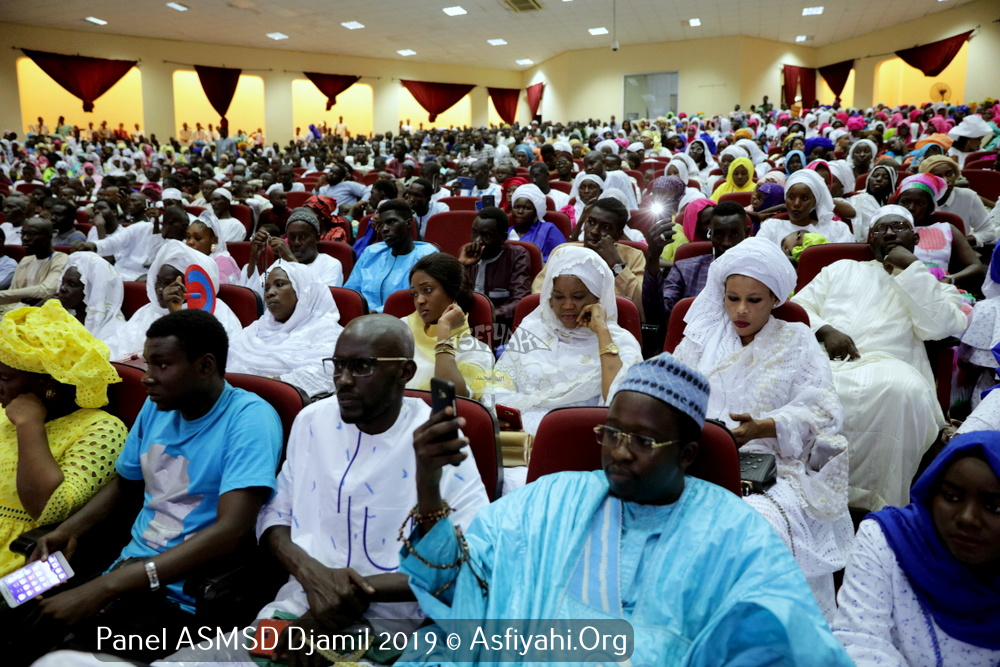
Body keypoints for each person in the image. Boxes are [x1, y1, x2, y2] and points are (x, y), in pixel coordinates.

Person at [401, 353, 853, 666]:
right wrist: (427, 482)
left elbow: (787, 639)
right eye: (612, 433)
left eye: (643, 441)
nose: (619, 451)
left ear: (688, 455)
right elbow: (454, 588)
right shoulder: (547, 502)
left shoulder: (734, 532)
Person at [17, 309, 282, 666]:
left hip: (178, 598)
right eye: (147, 362)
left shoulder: (250, 418)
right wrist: (67, 531)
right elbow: (125, 484)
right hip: (121, 568)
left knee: (61, 654)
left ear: (205, 366)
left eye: (162, 365)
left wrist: (104, 588)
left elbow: (231, 532)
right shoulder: (160, 405)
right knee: (12, 602)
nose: (147, 378)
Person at [673, 237, 853, 620]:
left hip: (769, 467)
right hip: (694, 459)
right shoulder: (700, 341)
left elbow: (824, 410)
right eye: (731, 297)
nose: (740, 310)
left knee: (752, 526)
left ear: (774, 299)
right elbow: (669, 395)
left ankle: (757, 630)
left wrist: (764, 427)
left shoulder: (797, 341)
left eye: (754, 300)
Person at [792, 205, 968, 510]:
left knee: (904, 393)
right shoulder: (840, 269)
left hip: (893, 368)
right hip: (829, 362)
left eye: (897, 227)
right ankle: (802, 496)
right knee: (803, 389)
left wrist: (912, 269)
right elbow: (798, 309)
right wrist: (825, 330)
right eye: (880, 229)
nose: (888, 233)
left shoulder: (935, 285)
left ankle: (882, 505)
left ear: (915, 238)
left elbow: (939, 327)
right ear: (868, 238)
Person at [833, 431, 1000, 665]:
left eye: (995, 508)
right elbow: (858, 645)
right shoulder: (888, 542)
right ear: (931, 494)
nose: (967, 518)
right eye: (951, 497)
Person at [0, 301, 127, 576]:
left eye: (4, 377)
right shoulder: (4, 410)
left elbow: (49, 510)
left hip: (22, 555)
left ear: (46, 384)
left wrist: (30, 424)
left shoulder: (101, 430)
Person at [494, 245, 642, 435]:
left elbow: (620, 405)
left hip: (581, 439)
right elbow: (499, 383)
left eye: (578, 297)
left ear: (598, 297)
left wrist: (602, 331)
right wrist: (503, 416)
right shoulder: (532, 328)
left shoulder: (620, 341)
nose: (567, 305)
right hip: (519, 439)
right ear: (549, 297)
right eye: (558, 297)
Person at [227, 261, 343, 398]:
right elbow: (229, 359)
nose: (269, 293)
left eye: (279, 285)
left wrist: (274, 384)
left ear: (303, 290)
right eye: (267, 288)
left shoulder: (327, 331)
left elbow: (327, 372)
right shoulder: (257, 327)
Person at [118, 239, 244, 357]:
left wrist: (175, 314)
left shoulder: (216, 312)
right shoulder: (148, 310)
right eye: (159, 281)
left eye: (169, 283)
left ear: (192, 286)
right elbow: (119, 346)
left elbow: (205, 358)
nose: (161, 289)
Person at [532, 198, 645, 318]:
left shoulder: (633, 256)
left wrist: (617, 265)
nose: (595, 231)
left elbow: (641, 308)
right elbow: (539, 292)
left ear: (618, 234)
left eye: (605, 227)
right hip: (562, 321)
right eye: (591, 222)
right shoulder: (563, 252)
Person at [404, 253, 495, 402]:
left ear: (453, 292)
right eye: (414, 294)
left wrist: (444, 329)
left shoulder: (476, 351)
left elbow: (454, 398)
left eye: (427, 290)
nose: (419, 301)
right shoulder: (402, 329)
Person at [643, 200, 749, 327]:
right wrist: (653, 258)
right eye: (719, 234)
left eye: (734, 234)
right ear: (710, 234)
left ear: (747, 234)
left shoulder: (760, 272)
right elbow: (656, 316)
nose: (726, 242)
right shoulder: (686, 269)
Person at [343, 199, 437, 312]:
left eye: (391, 222)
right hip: (362, 319)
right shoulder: (371, 252)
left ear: (408, 223)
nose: (385, 229)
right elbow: (350, 293)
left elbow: (421, 299)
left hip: (405, 322)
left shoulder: (426, 255)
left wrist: (377, 312)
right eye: (381, 225)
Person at [896, 173, 984, 287]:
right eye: (905, 202)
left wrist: (950, 279)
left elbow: (976, 266)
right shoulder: (888, 230)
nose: (911, 208)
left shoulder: (947, 229)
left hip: (940, 287)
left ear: (930, 207)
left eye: (919, 203)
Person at [458, 207, 531, 333]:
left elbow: (520, 301)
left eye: (487, 236)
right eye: (475, 233)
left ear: (503, 238)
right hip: (463, 325)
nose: (478, 241)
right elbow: (447, 297)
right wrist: (461, 265)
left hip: (500, 328)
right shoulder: (467, 253)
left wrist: (486, 316)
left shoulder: (516, 256)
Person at [75, 204, 190, 282]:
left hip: (143, 281)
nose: (187, 230)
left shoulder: (182, 243)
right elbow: (115, 242)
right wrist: (94, 245)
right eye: (184, 225)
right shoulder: (141, 227)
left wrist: (156, 227)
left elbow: (153, 260)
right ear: (170, 222)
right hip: (119, 272)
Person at [244, 208, 344, 293]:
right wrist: (254, 256)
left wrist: (290, 259)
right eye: (292, 237)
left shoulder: (331, 264)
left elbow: (320, 301)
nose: (296, 243)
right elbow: (256, 294)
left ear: (317, 238)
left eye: (303, 237)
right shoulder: (280, 263)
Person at [56, 252, 127, 359]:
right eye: (63, 282)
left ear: (92, 291)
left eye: (72, 284)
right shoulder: (63, 314)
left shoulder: (113, 330)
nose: (63, 288)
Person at [757, 169, 854, 245]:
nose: (796, 203)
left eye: (804, 198)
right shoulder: (771, 227)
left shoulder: (837, 230)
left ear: (815, 202)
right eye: (791, 197)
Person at [919, 155, 994, 248]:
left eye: (949, 174)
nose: (946, 180)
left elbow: (989, 231)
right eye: (938, 177)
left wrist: (960, 242)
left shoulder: (968, 196)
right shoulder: (918, 199)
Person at [0, 217, 68, 315]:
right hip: (11, 311)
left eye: (31, 234)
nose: (25, 238)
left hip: (38, 314)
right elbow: (12, 292)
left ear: (49, 237)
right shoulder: (25, 260)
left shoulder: (61, 259)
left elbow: (46, 291)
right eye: (23, 233)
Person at [507, 183, 566, 262]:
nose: (520, 211)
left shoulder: (548, 229)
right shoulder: (506, 232)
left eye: (526, 208)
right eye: (517, 207)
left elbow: (562, 256)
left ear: (536, 212)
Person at [184, 211, 242, 285]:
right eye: (188, 237)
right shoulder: (186, 259)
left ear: (214, 240)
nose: (190, 242)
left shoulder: (223, 262)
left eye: (197, 238)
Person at [847, 163, 897, 242]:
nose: (879, 179)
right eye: (875, 176)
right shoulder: (856, 199)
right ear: (869, 179)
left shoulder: (895, 206)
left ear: (891, 183)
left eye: (885, 177)